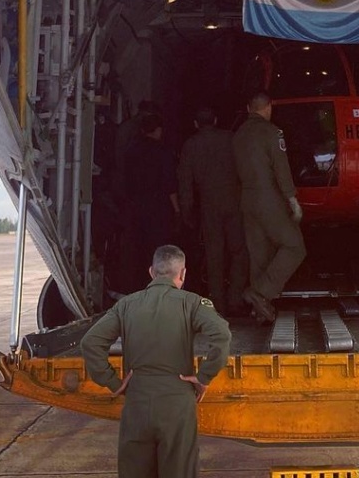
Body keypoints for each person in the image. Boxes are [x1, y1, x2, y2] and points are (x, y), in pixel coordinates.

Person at [81, 244, 231, 478]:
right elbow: (221, 335)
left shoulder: (126, 305)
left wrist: (112, 381)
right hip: (177, 403)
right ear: (182, 274)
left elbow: (90, 342)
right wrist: (204, 376)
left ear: (151, 272)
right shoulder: (191, 303)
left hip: (137, 400)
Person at [232, 91, 306, 322]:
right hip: (269, 199)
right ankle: (260, 293)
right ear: (268, 108)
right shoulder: (272, 133)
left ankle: (260, 309)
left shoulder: (238, 135)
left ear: (248, 108)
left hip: (247, 200)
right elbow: (280, 168)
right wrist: (292, 199)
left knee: (259, 255)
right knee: (294, 247)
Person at [177, 107, 248, 315]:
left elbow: (185, 182)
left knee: (214, 254)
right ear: (216, 120)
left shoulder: (191, 145)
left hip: (209, 205)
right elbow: (245, 168)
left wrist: (186, 211)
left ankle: (217, 302)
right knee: (239, 252)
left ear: (196, 124)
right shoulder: (231, 139)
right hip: (235, 200)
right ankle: (236, 298)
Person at [121, 111, 180, 292]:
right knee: (156, 250)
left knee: (136, 249)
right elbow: (170, 184)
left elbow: (124, 179)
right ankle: (156, 287)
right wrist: (177, 210)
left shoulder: (131, 150)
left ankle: (135, 288)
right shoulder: (162, 152)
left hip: (134, 206)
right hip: (157, 207)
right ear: (158, 130)